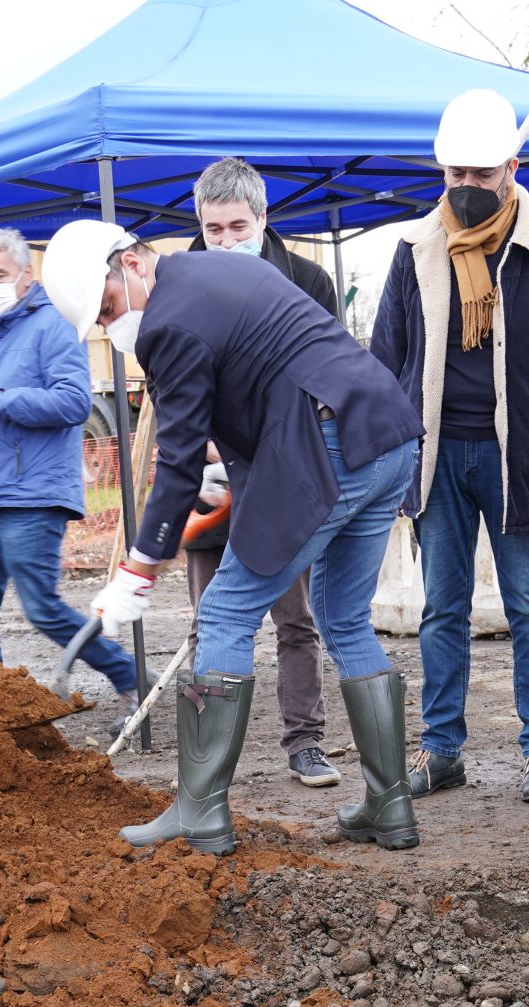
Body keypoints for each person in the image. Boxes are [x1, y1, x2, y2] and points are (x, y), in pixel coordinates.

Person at [41, 220, 423, 852]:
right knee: (342, 616)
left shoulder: (167, 321)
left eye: (108, 309)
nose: (112, 328)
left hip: (328, 446)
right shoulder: (219, 270)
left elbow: (180, 456)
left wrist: (139, 566)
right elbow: (262, 376)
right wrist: (231, 481)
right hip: (385, 435)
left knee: (224, 610)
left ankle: (199, 811)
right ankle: (389, 806)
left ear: (130, 263)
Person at [370, 87, 529, 805]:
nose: (465, 188)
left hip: (518, 457)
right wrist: (397, 459)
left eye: (480, 175)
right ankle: (441, 749)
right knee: (441, 607)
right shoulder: (414, 249)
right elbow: (387, 359)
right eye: (453, 175)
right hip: (438, 457)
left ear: (512, 168)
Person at [0, 228, 140, 701]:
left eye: (0, 274)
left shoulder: (55, 324)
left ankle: (127, 672)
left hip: (34, 491)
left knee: (42, 607)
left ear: (27, 274)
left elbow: (72, 402)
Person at [186, 157, 339, 788]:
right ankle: (205, 760)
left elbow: (327, 380)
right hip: (211, 481)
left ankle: (305, 742)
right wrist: (198, 452)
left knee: (294, 618)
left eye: (236, 227)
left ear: (263, 218)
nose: (224, 241)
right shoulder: (184, 283)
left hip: (284, 477)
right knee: (210, 621)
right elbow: (173, 387)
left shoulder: (307, 281)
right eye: (212, 229)